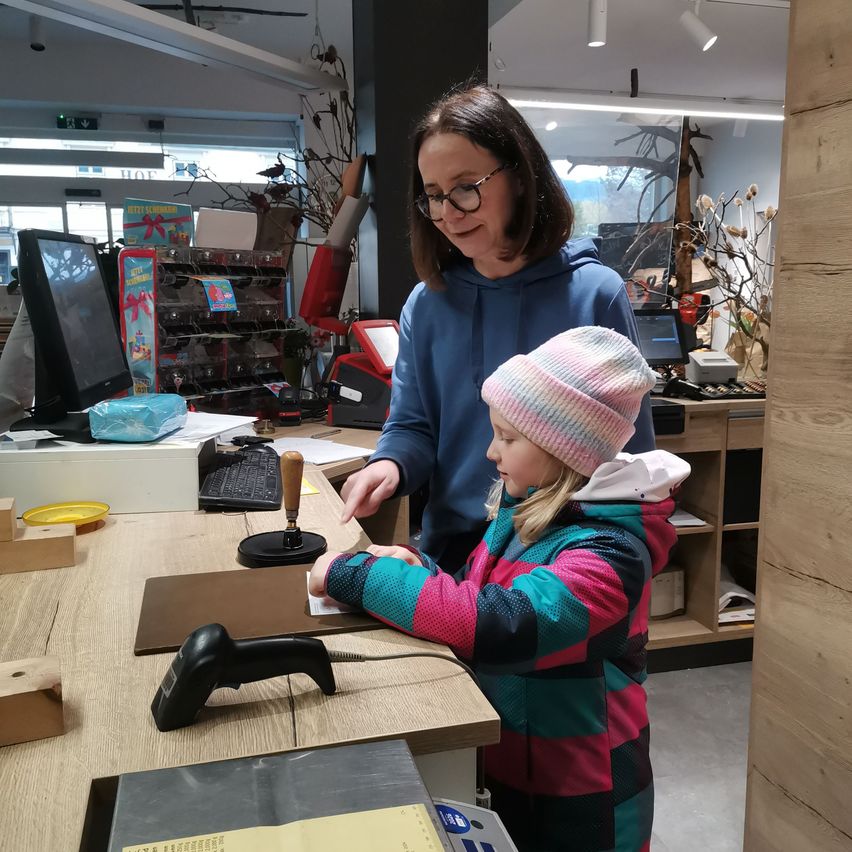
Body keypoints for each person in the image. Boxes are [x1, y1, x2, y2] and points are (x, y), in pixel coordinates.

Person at [311, 326, 690, 852]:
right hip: (515, 762)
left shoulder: (611, 556)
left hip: (584, 798)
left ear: (564, 447)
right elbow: (477, 591)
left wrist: (358, 576)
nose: (491, 452)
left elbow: (502, 624)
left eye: (507, 437)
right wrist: (419, 567)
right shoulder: (527, 508)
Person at [340, 84, 655, 570]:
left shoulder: (596, 293)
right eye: (434, 196)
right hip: (454, 554)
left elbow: (630, 460)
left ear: (521, 178)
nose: (448, 214)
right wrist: (389, 464)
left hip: (562, 556)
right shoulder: (427, 304)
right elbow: (412, 425)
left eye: (466, 188)